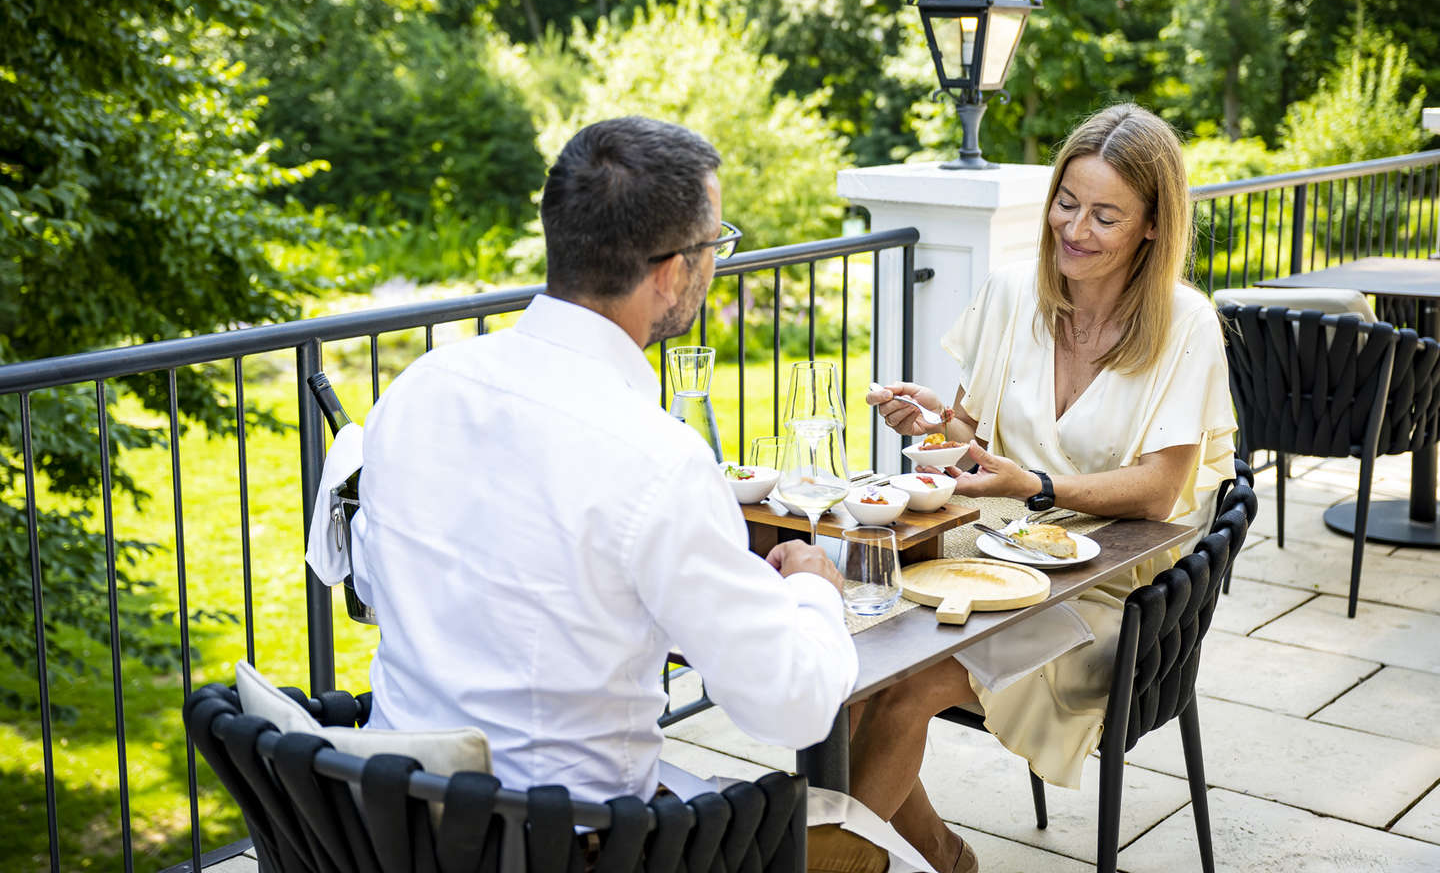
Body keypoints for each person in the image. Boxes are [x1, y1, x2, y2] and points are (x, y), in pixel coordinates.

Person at [347, 117, 913, 872]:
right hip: (567, 845)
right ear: (672, 272)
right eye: (717, 246)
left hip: (396, 827)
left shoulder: (417, 388)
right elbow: (790, 705)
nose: (716, 264)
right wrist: (812, 590)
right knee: (873, 844)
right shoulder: (656, 459)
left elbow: (380, 585)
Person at [851, 103, 1237, 873]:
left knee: (900, 689)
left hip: (1107, 595)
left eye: (1104, 215)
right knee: (847, 670)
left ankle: (822, 857)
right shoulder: (1011, 294)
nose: (1075, 229)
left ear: (1152, 226)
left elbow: (1162, 491)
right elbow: (973, 439)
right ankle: (936, 853)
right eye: (1066, 202)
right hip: (992, 559)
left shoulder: (1186, 324)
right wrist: (936, 421)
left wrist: (1034, 483)